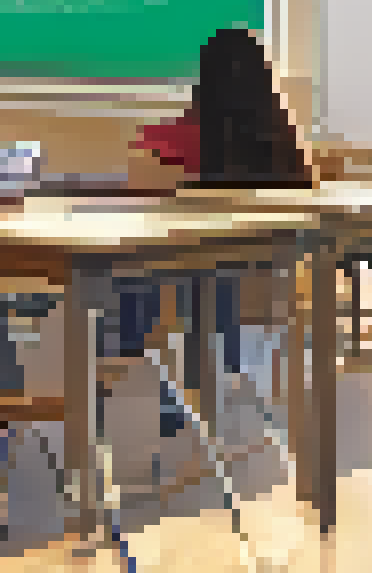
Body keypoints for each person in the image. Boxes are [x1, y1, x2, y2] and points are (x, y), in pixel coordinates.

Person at [120, 27, 315, 435]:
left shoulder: (184, 134)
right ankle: (205, 382)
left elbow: (137, 175)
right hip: (268, 306)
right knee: (207, 277)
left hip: (193, 298)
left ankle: (140, 387)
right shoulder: (285, 142)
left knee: (136, 274)